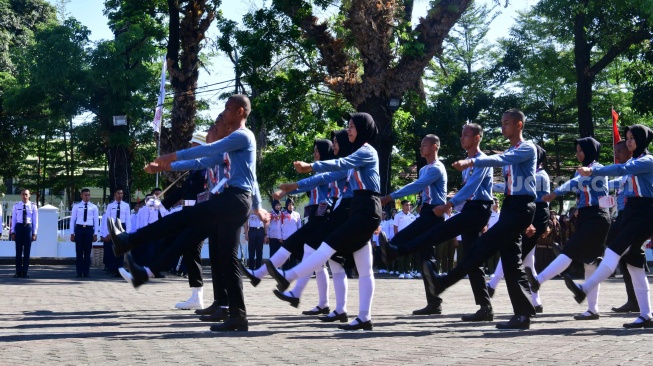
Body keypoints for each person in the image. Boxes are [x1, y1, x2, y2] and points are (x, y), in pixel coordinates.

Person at [109, 94, 269, 332]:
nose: (223, 112)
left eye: (227, 108)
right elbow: (200, 161)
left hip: (233, 200)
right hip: (236, 202)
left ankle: (128, 241)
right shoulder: (235, 144)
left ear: (239, 112)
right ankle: (237, 315)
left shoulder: (242, 136)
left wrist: (169, 156)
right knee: (227, 258)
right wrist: (168, 165)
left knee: (182, 220)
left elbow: (211, 149)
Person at [417, 109, 537, 329]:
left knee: (482, 247)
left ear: (519, 125)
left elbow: (502, 160)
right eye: (502, 123)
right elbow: (506, 185)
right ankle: (523, 314)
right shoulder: (512, 150)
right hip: (512, 206)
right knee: (512, 262)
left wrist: (472, 163)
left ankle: (443, 282)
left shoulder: (526, 148)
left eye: (507, 123)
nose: (503, 127)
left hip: (520, 207)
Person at [266, 112, 382, 331]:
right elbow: (328, 175)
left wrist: (311, 165)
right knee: (364, 267)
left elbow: (341, 163)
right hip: (360, 207)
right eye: (348, 126)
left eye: (352, 126)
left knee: (328, 245)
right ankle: (364, 317)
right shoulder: (358, 154)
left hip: (366, 207)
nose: (349, 130)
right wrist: (296, 184)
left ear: (363, 128)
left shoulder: (366, 151)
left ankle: (289, 276)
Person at [381, 123, 495, 322]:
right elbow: (477, 189)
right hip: (464, 210)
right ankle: (483, 307)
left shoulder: (479, 161)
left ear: (477, 138)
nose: (461, 138)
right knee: (470, 259)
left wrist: (448, 204)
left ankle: (395, 251)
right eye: (461, 134)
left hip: (462, 211)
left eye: (466, 135)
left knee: (430, 236)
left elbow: (472, 190)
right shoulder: (464, 163)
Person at [242, 130, 354, 321]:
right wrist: (291, 188)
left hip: (330, 214)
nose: (315, 153)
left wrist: (291, 186)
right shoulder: (331, 166)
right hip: (328, 213)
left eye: (318, 150)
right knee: (327, 263)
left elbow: (316, 181)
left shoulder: (339, 166)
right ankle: (326, 304)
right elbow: (313, 183)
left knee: (311, 251)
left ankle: (278, 282)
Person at [565, 124, 653, 328]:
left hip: (644, 213)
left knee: (614, 250)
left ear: (642, 140)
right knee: (633, 264)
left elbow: (621, 169)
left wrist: (593, 171)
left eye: (632, 138)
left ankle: (585, 288)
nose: (628, 141)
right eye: (628, 138)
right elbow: (620, 182)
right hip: (632, 213)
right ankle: (646, 315)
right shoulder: (635, 161)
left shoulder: (646, 161)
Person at [525, 137, 610, 321]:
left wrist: (555, 193)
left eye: (580, 150)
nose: (577, 153)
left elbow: (575, 184)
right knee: (590, 263)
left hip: (597, 217)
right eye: (577, 150)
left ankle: (538, 280)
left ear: (589, 151)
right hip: (587, 217)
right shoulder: (581, 171)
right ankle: (592, 309)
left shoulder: (597, 168)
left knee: (570, 251)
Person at [379, 134, 447, 315]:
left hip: (434, 214)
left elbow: (416, 186)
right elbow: (421, 191)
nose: (421, 148)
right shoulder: (424, 169)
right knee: (426, 259)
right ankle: (434, 303)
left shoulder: (437, 168)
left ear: (434, 147)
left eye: (424, 145)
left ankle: (392, 249)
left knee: (412, 237)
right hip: (426, 211)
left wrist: (390, 197)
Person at [488, 145, 549, 314]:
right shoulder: (535, 174)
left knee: (514, 252)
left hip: (536, 216)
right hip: (532, 215)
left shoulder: (540, 176)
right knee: (528, 259)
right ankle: (536, 302)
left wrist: (491, 186)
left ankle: (492, 284)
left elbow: (514, 186)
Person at [159, 129, 212, 310]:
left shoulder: (204, 168)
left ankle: (147, 269)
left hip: (198, 214)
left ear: (200, 147)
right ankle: (196, 296)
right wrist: (162, 204)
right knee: (190, 254)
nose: (190, 146)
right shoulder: (195, 169)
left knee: (189, 250)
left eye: (193, 144)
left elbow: (203, 193)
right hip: (191, 213)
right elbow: (182, 192)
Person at [606, 140, 638, 313]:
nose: (616, 154)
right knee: (628, 261)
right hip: (624, 217)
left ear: (630, 151)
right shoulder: (626, 172)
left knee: (629, 258)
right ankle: (633, 300)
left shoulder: (636, 169)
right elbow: (613, 184)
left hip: (634, 218)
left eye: (619, 151)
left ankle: (587, 257)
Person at [99, 188, 131, 278]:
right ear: (114, 194)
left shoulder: (126, 205)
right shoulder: (110, 206)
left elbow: (128, 219)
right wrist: (107, 233)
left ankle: (120, 270)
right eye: (118, 193)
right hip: (113, 226)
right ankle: (113, 268)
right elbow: (107, 219)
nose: (120, 195)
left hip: (122, 226)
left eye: (121, 193)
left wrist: (127, 233)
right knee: (113, 249)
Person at [70, 188, 99, 278]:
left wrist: (95, 234)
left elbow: (96, 221)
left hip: (89, 229)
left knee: (87, 252)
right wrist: (72, 233)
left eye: (88, 195)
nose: (87, 197)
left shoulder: (93, 207)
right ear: (81, 196)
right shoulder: (76, 206)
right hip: (79, 229)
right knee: (79, 252)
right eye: (85, 195)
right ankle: (79, 272)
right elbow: (72, 220)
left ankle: (86, 272)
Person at [11, 189, 38, 278]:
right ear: (20, 195)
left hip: (28, 228)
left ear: (29, 195)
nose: (24, 196)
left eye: (26, 194)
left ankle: (25, 271)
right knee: (18, 251)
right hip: (19, 228)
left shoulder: (33, 206)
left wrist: (34, 233)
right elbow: (14, 219)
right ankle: (18, 271)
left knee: (27, 252)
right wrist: (12, 232)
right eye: (23, 194)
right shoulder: (16, 206)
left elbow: (35, 220)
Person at [393, 200, 417, 279]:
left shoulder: (413, 216)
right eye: (407, 205)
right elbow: (395, 227)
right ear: (402, 206)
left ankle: (407, 272)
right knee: (401, 255)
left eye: (410, 205)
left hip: (410, 238)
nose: (409, 206)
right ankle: (401, 272)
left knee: (409, 255)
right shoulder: (398, 215)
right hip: (401, 238)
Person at [279, 197, 302, 270]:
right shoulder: (282, 214)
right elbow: (279, 226)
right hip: (285, 237)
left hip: (294, 238)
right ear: (286, 205)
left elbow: (299, 226)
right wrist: (280, 237)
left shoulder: (297, 214)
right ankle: (285, 271)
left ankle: (292, 270)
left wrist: (299, 237)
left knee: (293, 256)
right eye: (289, 204)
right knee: (285, 255)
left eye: (292, 204)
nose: (291, 206)